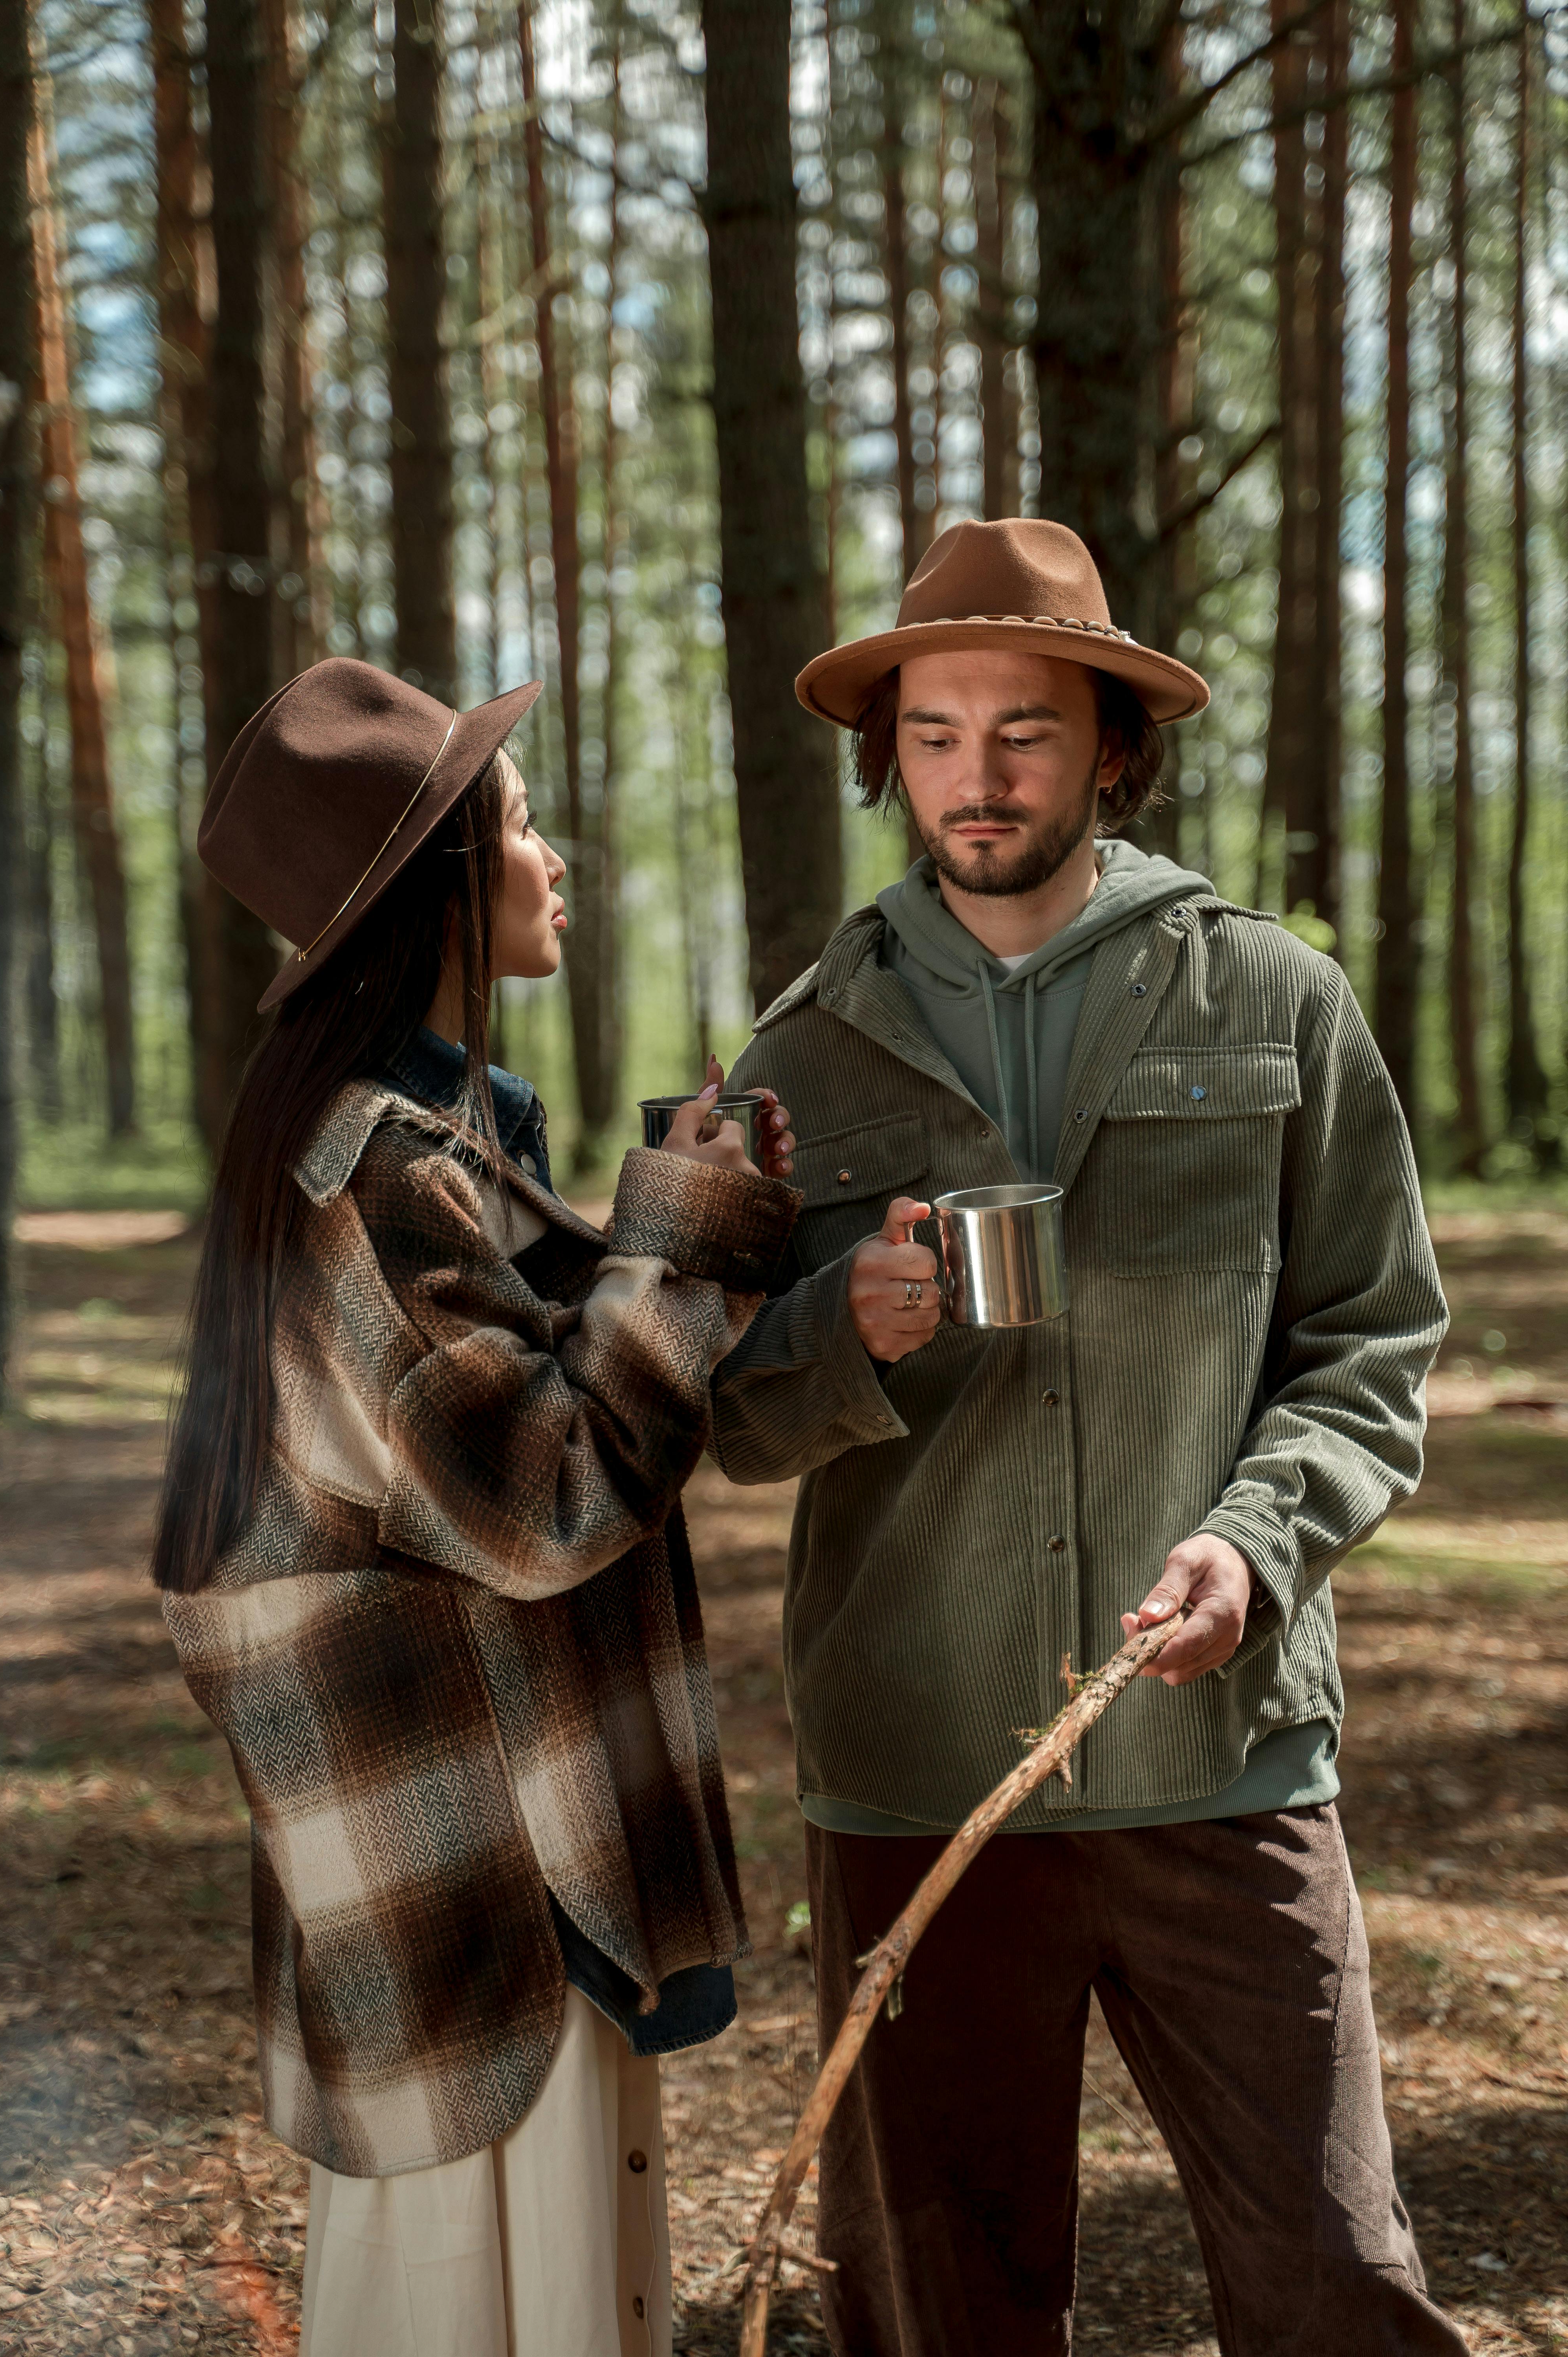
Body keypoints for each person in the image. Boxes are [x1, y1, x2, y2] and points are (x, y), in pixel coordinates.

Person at [713, 519, 1463, 2355]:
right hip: (918, 1772)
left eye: (1027, 730)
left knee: (1336, 2285)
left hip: (1218, 1758)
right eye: (940, 731)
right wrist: (836, 1331)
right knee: (939, 2308)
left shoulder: (1274, 999)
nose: (981, 774)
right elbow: (713, 1406)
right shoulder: (793, 1063)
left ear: (1111, 747)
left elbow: (1373, 1340)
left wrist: (1259, 1540)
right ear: (888, 755)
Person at [151, 657, 799, 2357]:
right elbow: (547, 1500)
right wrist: (685, 1227)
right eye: (517, 823)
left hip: (474, 1872)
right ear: (442, 878)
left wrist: (689, 1228)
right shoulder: (374, 1174)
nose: (554, 851)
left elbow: (527, 1414)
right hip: (490, 1887)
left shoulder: (408, 1136)